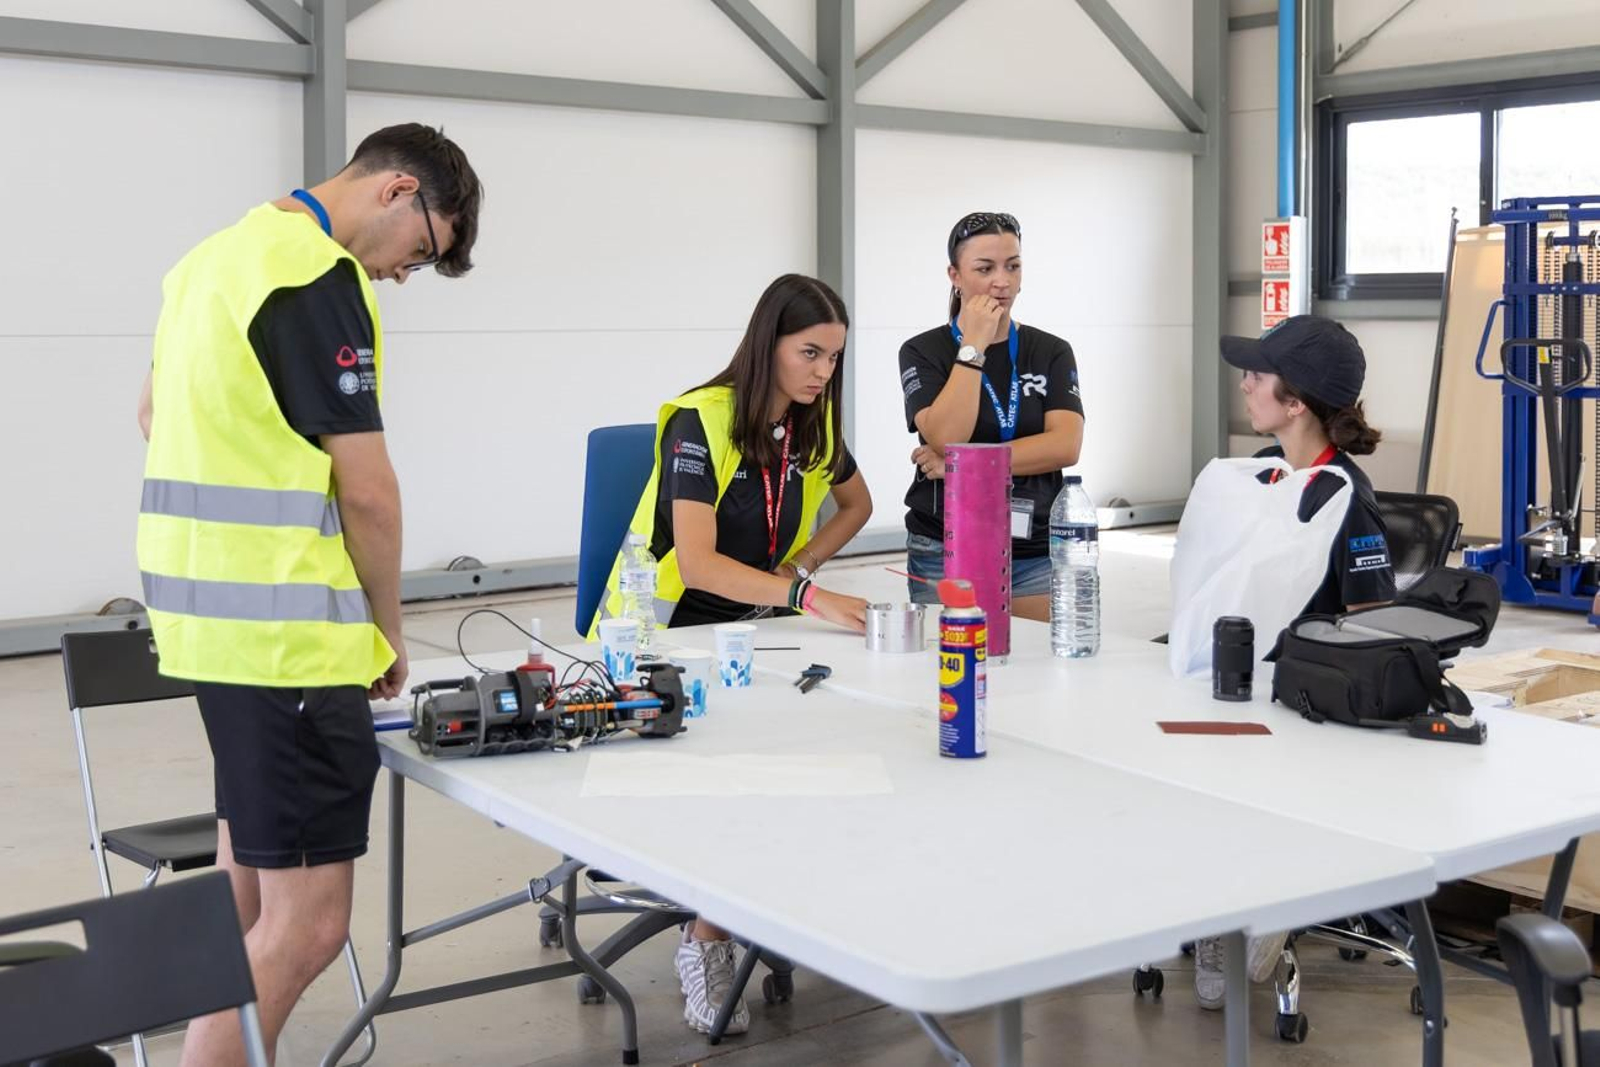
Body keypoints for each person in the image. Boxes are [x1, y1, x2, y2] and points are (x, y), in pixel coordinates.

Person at [136, 124, 482, 1066]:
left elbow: (150, 414)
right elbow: (367, 489)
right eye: (422, 249)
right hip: (288, 641)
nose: (405, 275)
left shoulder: (210, 262)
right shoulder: (314, 275)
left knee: (245, 889)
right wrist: (388, 631)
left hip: (208, 631)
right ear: (397, 189)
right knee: (311, 923)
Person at [595, 273, 872, 1033]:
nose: (823, 372)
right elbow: (702, 561)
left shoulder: (812, 426)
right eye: (810, 352)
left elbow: (859, 504)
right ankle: (705, 936)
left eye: (834, 358)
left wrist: (802, 565)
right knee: (740, 771)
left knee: (819, 742)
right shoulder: (700, 419)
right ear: (768, 346)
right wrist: (808, 596)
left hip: (753, 631)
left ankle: (756, 903)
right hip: (661, 636)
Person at [1190, 313, 1395, 1010]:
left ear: (1297, 399)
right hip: (1240, 684)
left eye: (1258, 374)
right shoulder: (1260, 477)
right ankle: (1216, 904)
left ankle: (1261, 900)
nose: (1245, 384)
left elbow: (1371, 630)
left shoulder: (1348, 504)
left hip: (1307, 709)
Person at [899, 211, 1085, 619]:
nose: (1002, 280)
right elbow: (947, 437)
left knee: (1040, 670)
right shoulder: (922, 351)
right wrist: (975, 344)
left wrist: (961, 465)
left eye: (1013, 266)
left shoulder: (1051, 350)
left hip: (1032, 547)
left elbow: (1065, 445)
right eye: (985, 268)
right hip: (945, 544)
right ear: (956, 275)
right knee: (954, 665)